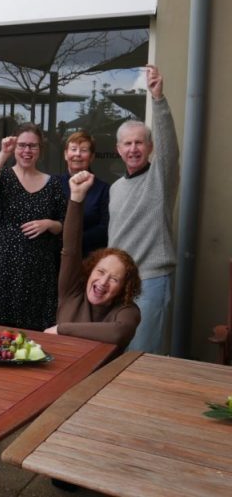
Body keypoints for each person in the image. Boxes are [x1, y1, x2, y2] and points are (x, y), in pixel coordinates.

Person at [108, 64, 179, 354]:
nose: (134, 148)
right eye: (128, 143)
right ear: (119, 150)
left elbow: (170, 147)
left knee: (143, 354)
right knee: (118, 351)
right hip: (118, 281)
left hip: (150, 280)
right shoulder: (115, 188)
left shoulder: (159, 178)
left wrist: (158, 99)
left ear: (150, 147)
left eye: (140, 142)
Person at [0, 123, 66, 330]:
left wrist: (49, 223)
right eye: (22, 145)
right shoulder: (3, 176)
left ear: (40, 150)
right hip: (1, 267)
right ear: (15, 148)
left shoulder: (53, 184)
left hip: (38, 273)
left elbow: (64, 223)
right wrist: (3, 153)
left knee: (33, 332)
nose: (27, 151)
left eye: (32, 146)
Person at [45, 171, 141, 357]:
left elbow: (118, 333)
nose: (103, 282)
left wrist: (61, 329)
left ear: (124, 287)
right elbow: (71, 248)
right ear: (90, 272)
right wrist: (77, 198)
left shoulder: (127, 310)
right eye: (100, 271)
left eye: (114, 278)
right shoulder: (72, 291)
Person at [57, 131, 110, 256]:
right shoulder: (54, 184)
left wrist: (74, 241)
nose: (77, 154)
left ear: (92, 157)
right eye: (73, 149)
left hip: (88, 257)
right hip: (55, 257)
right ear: (65, 154)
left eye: (84, 150)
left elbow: (105, 227)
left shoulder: (103, 189)